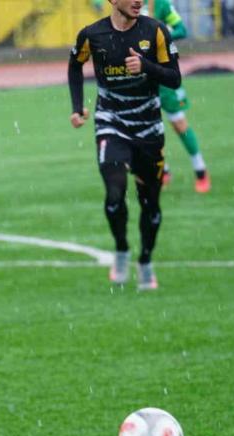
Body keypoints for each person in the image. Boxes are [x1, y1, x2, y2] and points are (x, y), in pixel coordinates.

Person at [68, 0, 181, 290]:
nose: (138, 1)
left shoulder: (156, 31)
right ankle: (121, 249)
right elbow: (75, 65)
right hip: (111, 123)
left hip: (149, 129)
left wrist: (146, 66)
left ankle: (145, 261)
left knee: (150, 203)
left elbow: (174, 78)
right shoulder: (92, 35)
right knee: (114, 194)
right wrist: (77, 107)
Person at [142, 0, 210, 193]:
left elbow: (181, 29)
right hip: (142, 76)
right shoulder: (126, 3)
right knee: (148, 128)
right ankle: (163, 170)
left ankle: (200, 170)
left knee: (179, 123)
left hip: (164, 73)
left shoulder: (160, 4)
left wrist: (160, 37)